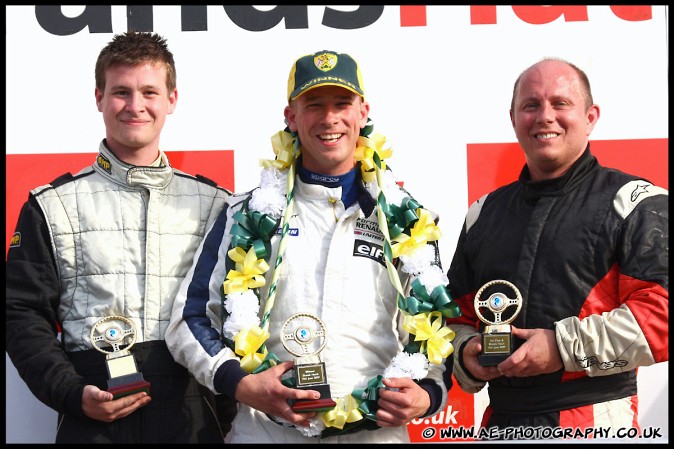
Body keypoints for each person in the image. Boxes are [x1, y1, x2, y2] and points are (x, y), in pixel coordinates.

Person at [165, 49, 460, 443]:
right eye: (314, 105)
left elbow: (438, 329)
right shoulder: (245, 214)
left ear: (363, 112)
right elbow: (191, 319)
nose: (329, 118)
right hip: (267, 432)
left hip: (375, 434)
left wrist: (427, 394)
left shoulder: (409, 221)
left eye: (342, 104)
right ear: (291, 116)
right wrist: (241, 384)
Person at [5, 31, 236, 443]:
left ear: (172, 99)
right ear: (99, 98)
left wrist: (229, 404)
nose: (135, 106)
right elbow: (20, 313)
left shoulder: (218, 204)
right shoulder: (50, 205)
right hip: (92, 415)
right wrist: (71, 393)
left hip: (192, 416)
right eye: (121, 92)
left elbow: (237, 317)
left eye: (149, 91)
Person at [444, 57, 668, 440]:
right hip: (501, 424)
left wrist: (561, 347)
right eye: (531, 105)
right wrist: (466, 352)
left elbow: (663, 315)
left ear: (591, 116)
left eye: (560, 103)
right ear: (513, 118)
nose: (545, 116)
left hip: (595, 421)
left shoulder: (636, 202)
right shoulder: (483, 214)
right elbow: (454, 318)